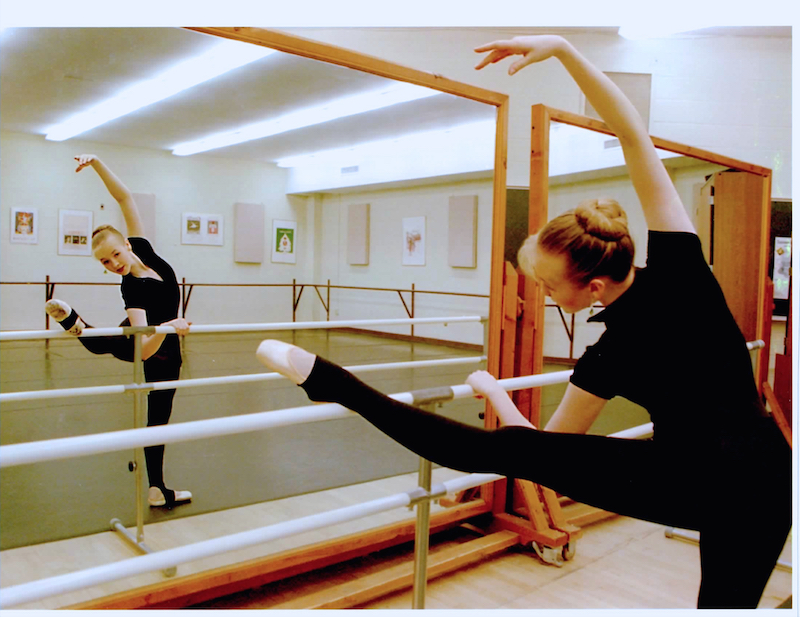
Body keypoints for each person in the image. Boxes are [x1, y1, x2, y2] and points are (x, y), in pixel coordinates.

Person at [255, 35, 791, 609]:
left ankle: (332, 383)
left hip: (691, 482)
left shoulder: (607, 355)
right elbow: (633, 134)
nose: (540, 292)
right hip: (770, 473)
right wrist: (562, 50)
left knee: (495, 451)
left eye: (546, 284)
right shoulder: (682, 268)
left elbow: (538, 450)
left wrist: (490, 391)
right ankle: (327, 382)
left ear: (592, 286)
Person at [46, 155, 192, 509]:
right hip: (151, 342)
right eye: (105, 263)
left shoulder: (142, 249)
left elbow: (125, 198)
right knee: (117, 342)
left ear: (126, 244)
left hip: (167, 347)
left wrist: (96, 163)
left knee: (159, 419)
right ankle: (80, 327)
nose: (114, 265)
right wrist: (169, 327)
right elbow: (143, 349)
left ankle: (157, 488)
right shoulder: (131, 288)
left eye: (114, 254)